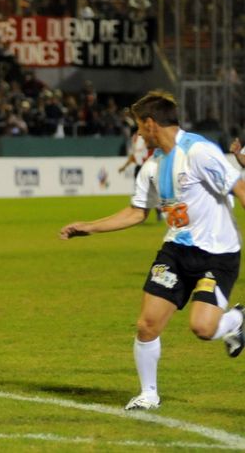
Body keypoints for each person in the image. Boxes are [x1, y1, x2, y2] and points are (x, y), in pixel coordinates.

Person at [60, 90, 245, 411]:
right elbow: (136, 213)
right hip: (175, 252)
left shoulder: (199, 151)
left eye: (139, 128)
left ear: (150, 124)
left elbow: (239, 188)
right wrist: (88, 226)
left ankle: (238, 321)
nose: (138, 135)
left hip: (218, 254)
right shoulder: (152, 167)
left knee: (202, 328)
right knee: (147, 325)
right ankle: (148, 394)